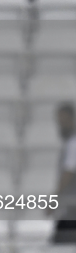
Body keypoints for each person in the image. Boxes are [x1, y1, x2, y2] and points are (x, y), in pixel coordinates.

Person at [52, 103, 76, 243]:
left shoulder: (73, 143)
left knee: (61, 241)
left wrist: (54, 197)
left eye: (64, 121)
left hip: (73, 206)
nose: (61, 125)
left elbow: (68, 172)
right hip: (70, 205)